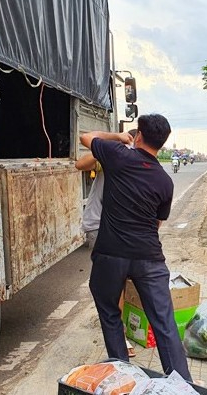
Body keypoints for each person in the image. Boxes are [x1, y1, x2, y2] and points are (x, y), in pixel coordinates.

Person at [80, 114, 192, 382]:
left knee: (110, 312)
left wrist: (117, 136)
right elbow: (156, 223)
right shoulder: (165, 181)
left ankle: (123, 375)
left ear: (138, 135)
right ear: (162, 145)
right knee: (164, 322)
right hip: (149, 258)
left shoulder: (118, 155)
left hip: (111, 255)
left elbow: (86, 138)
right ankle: (182, 383)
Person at [75, 129, 137, 357]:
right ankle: (118, 339)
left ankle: (121, 334)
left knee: (121, 281)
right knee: (113, 284)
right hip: (99, 225)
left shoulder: (143, 161)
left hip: (123, 230)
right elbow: (81, 164)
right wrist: (113, 140)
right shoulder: (110, 155)